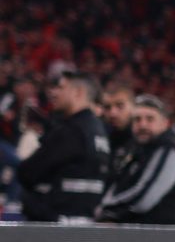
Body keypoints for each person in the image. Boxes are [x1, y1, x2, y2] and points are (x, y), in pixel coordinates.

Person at [17, 71, 111, 223]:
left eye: (61, 87)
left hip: (58, 225)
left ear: (78, 92)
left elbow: (27, 173)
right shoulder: (98, 129)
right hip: (82, 221)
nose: (54, 93)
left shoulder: (73, 130)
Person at [98, 95, 175, 225]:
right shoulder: (137, 149)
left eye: (150, 119)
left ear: (165, 123)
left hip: (157, 238)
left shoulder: (169, 149)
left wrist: (107, 209)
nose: (143, 125)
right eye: (137, 120)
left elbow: (144, 198)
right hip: (137, 236)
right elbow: (118, 185)